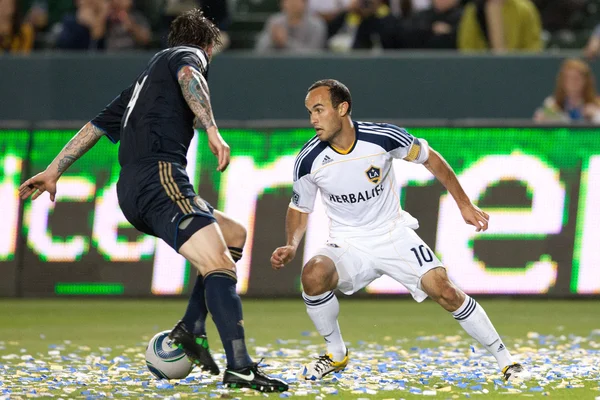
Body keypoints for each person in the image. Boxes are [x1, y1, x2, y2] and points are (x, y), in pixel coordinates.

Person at [19, 9, 288, 393]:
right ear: (208, 46)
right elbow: (190, 75)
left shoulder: (144, 81)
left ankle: (192, 329)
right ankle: (240, 367)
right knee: (221, 266)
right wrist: (212, 129)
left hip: (132, 187)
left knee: (233, 234)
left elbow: (95, 126)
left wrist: (54, 169)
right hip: (158, 177)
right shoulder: (188, 56)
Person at [270, 79, 529, 382]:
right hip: (348, 242)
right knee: (313, 275)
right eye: (309, 112)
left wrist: (464, 204)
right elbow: (300, 208)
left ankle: (507, 361)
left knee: (444, 290)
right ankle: (335, 354)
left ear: (342, 108)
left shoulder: (383, 138)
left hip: (394, 234)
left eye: (318, 109)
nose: (313, 119)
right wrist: (291, 244)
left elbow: (432, 160)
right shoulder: (309, 160)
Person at [534, 58, 600, 124]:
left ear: (586, 82)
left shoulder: (597, 105)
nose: (572, 83)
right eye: (567, 79)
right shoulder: (551, 104)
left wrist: (596, 115)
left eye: (576, 78)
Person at [255, 0, 327, 52]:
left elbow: (314, 55)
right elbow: (260, 49)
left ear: (305, 3)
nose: (292, 3)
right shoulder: (275, 21)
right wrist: (272, 40)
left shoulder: (317, 25)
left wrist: (286, 42)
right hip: (277, 67)